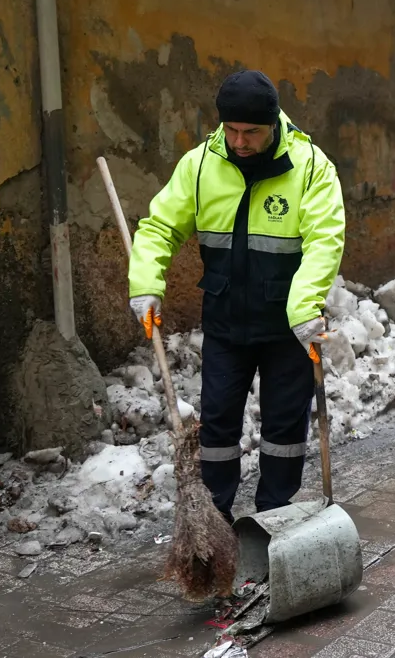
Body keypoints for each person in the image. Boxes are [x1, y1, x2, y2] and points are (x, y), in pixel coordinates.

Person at [126, 70, 346, 522]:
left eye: (252, 132)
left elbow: (326, 239)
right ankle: (214, 521)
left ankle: (274, 519)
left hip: (288, 328)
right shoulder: (201, 165)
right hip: (226, 320)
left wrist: (305, 309)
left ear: (273, 125)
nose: (240, 142)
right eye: (232, 130)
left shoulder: (310, 167)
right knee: (219, 425)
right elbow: (160, 227)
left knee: (285, 428)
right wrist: (146, 285)